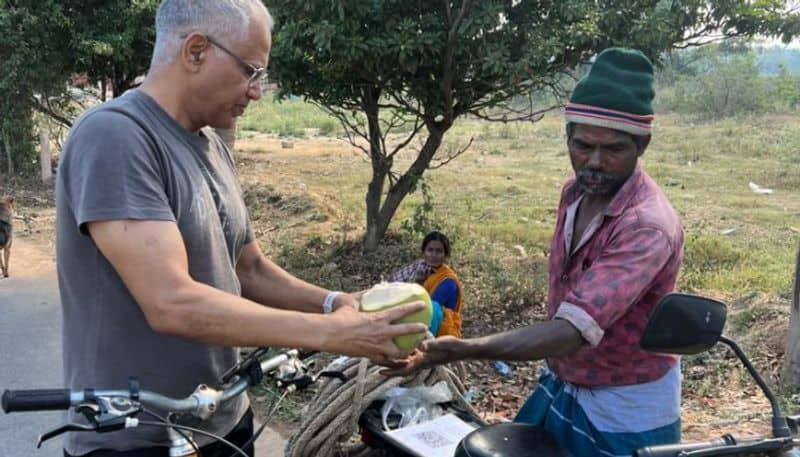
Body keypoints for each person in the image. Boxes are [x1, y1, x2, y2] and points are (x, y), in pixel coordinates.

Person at [55, 1, 426, 456]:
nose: (257, 92)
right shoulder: (116, 136)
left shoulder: (210, 142)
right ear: (195, 51)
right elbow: (170, 302)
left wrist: (335, 304)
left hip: (221, 416)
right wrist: (334, 334)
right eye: (251, 71)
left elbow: (248, 268)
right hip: (137, 437)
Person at [384, 48, 685, 457]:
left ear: (642, 144)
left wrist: (464, 347)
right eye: (583, 146)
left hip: (622, 402)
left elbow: (572, 331)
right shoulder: (575, 192)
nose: (594, 162)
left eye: (613, 149)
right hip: (565, 380)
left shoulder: (645, 225)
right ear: (568, 137)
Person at [390, 231, 464, 337]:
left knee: (432, 306)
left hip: (441, 329)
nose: (434, 255)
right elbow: (394, 284)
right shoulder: (419, 268)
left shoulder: (447, 281)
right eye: (430, 250)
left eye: (439, 251)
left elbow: (428, 309)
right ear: (423, 252)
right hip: (421, 320)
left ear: (445, 255)